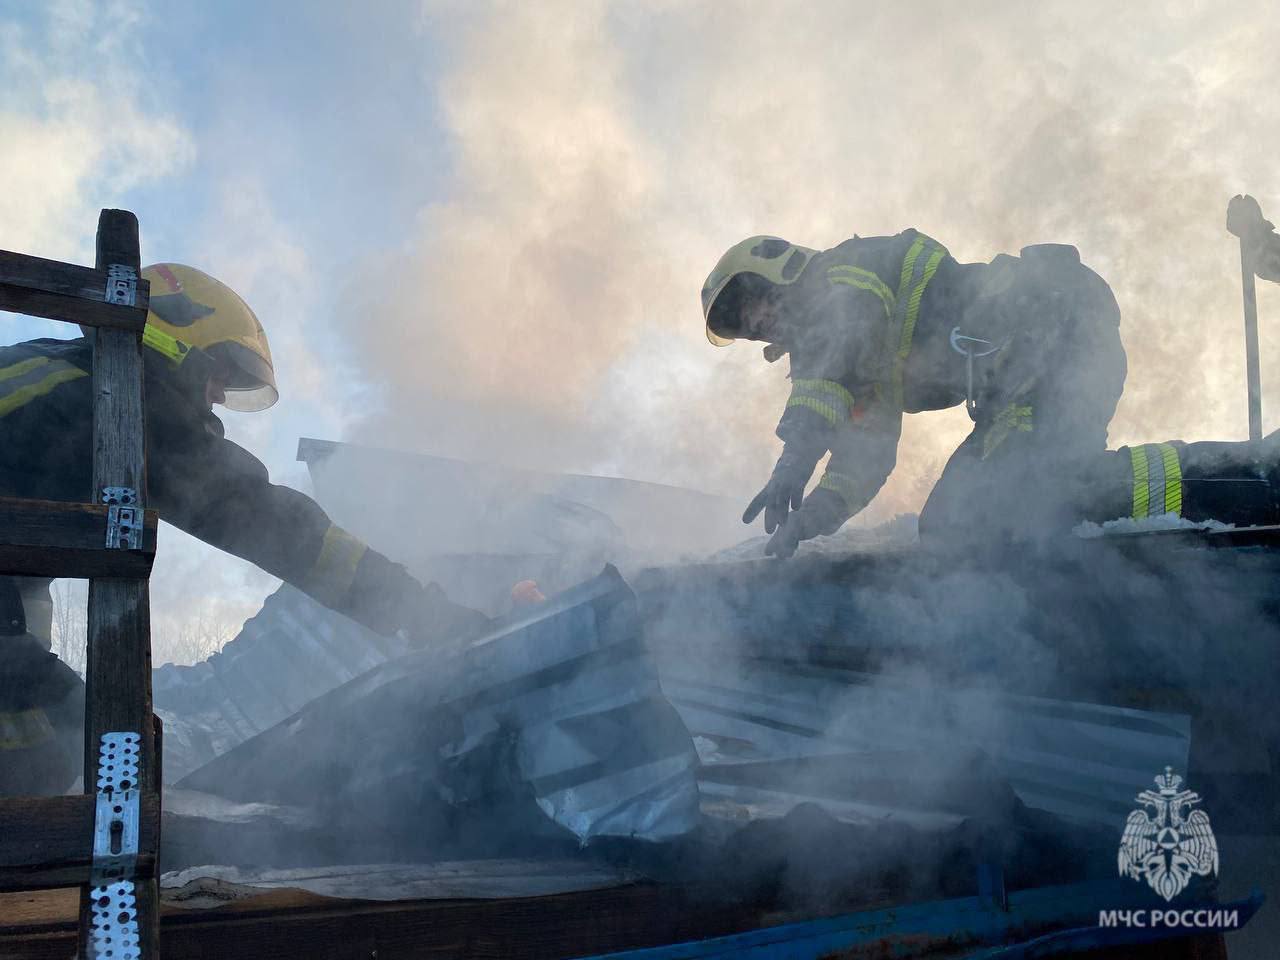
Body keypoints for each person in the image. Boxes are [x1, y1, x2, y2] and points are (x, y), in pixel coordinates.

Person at [0, 263, 489, 794]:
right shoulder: (125, 407)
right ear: (179, 342)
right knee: (42, 743)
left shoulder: (54, 374)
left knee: (50, 734)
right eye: (217, 378)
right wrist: (422, 612)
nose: (213, 399)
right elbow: (275, 526)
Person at [701, 232, 1280, 558]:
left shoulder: (840, 277)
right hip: (1025, 378)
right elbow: (866, 454)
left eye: (752, 308)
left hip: (1054, 328)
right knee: (956, 523)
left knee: (1017, 494)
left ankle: (1253, 478)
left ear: (772, 272)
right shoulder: (854, 364)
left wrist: (793, 463)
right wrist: (813, 518)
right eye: (749, 330)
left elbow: (829, 355)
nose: (762, 328)